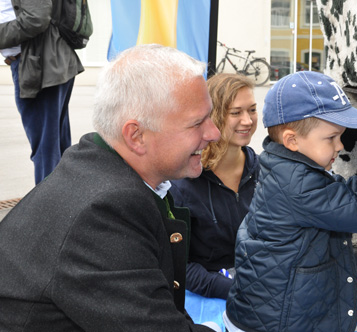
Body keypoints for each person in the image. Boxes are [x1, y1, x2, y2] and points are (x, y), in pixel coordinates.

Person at [0, 44, 222, 332]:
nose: (214, 133)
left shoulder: (95, 167)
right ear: (136, 136)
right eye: (197, 123)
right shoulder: (105, 212)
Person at [224, 71, 357, 332]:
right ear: (292, 140)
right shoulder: (297, 184)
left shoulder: (291, 168)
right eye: (331, 138)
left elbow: (345, 192)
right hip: (273, 324)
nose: (339, 146)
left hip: (278, 314)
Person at [170, 73, 259, 300]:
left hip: (264, 289)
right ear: (213, 116)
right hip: (207, 297)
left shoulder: (266, 172)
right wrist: (235, 289)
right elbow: (180, 265)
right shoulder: (183, 182)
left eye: (252, 110)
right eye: (236, 113)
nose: (248, 121)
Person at [0, 0, 83, 184]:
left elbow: (36, 18)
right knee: (54, 148)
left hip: (39, 65)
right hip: (45, 62)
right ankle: (63, 205)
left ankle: (49, 210)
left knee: (46, 152)